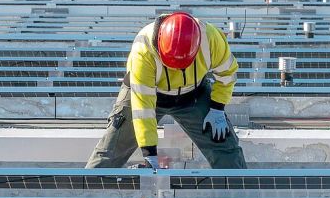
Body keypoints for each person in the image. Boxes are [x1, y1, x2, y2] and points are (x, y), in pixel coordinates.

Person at [85, 11, 247, 169]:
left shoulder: (211, 39)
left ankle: (239, 191)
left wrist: (217, 108)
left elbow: (228, 73)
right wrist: (150, 153)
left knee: (226, 149)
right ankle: (88, 190)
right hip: (148, 94)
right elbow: (143, 109)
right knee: (110, 152)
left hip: (193, 95)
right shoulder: (143, 51)